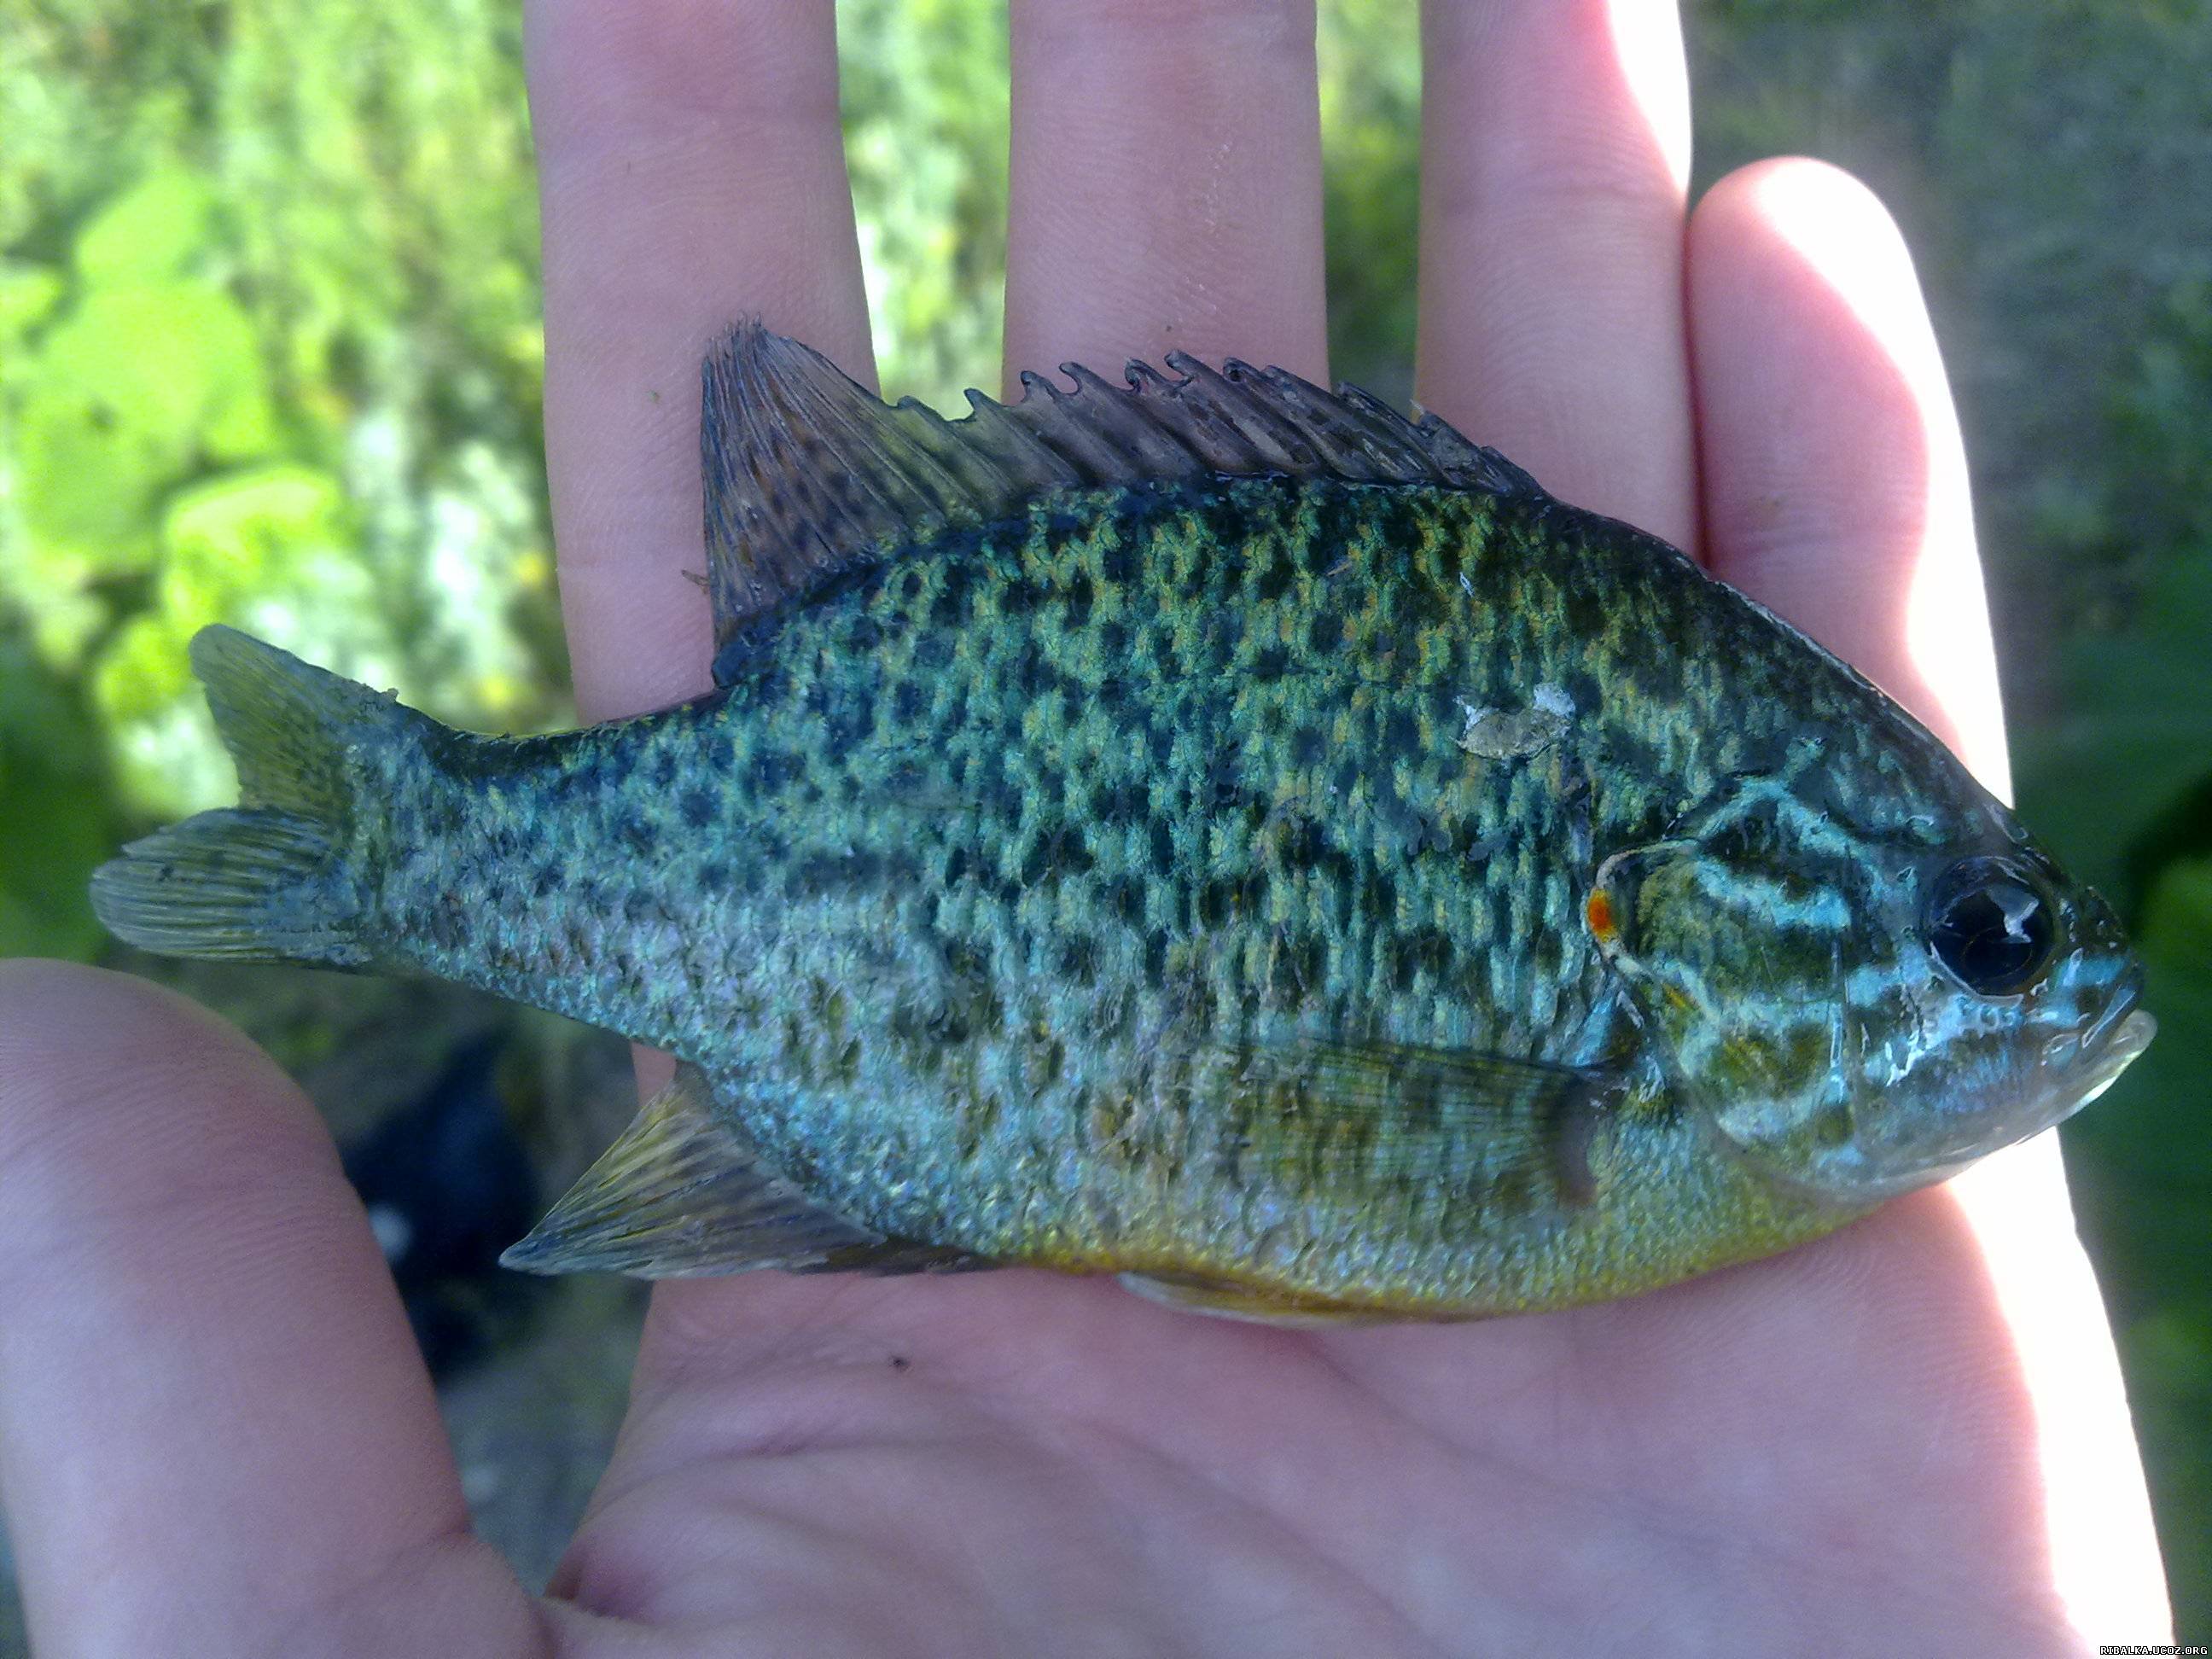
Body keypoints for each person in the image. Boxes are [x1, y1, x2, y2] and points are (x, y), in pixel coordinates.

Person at [0, 3, 2174, 1651]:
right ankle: (408, 854)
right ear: (1693, 904)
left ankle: (399, 858)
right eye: (1980, 937)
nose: (2046, 987)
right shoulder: (1640, 1112)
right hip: (905, 1049)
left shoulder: (1659, 1101)